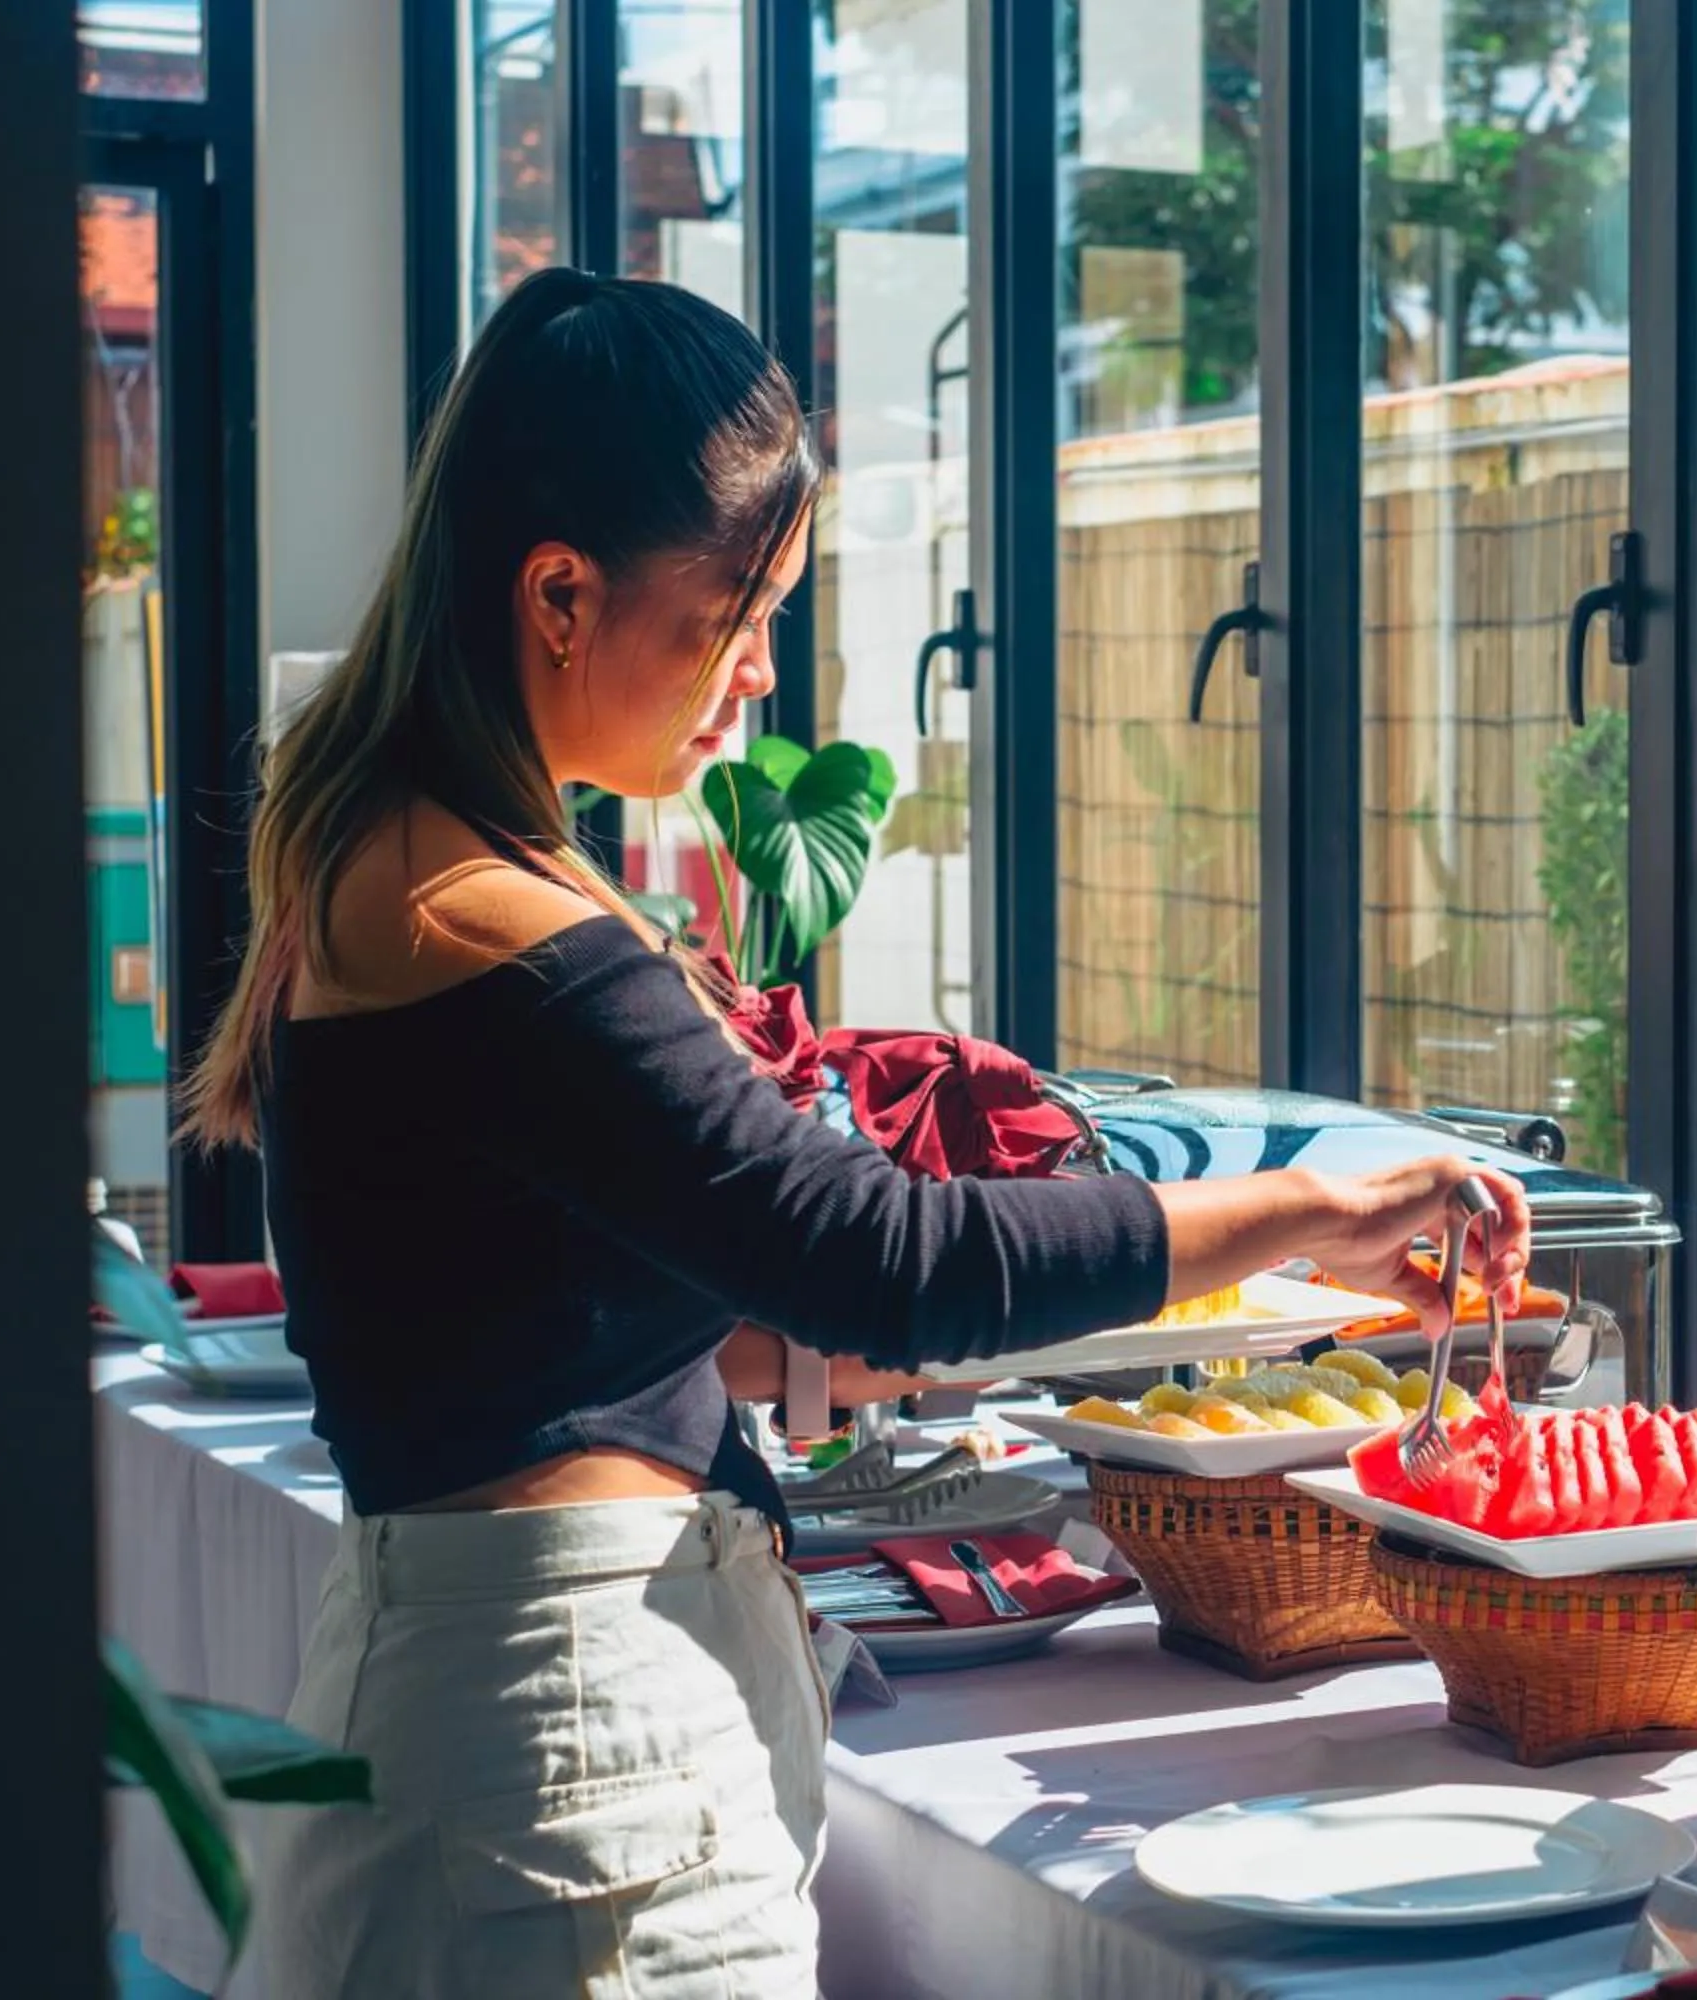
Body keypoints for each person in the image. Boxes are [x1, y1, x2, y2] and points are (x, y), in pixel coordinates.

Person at [178, 267, 1530, 1997]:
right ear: (561, 594)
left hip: (513, 1729)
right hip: (561, 1761)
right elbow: (881, 1259)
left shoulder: (406, 865)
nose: (754, 672)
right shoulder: (484, 920)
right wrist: (1300, 1211)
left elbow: (557, 1318)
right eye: (731, 614)